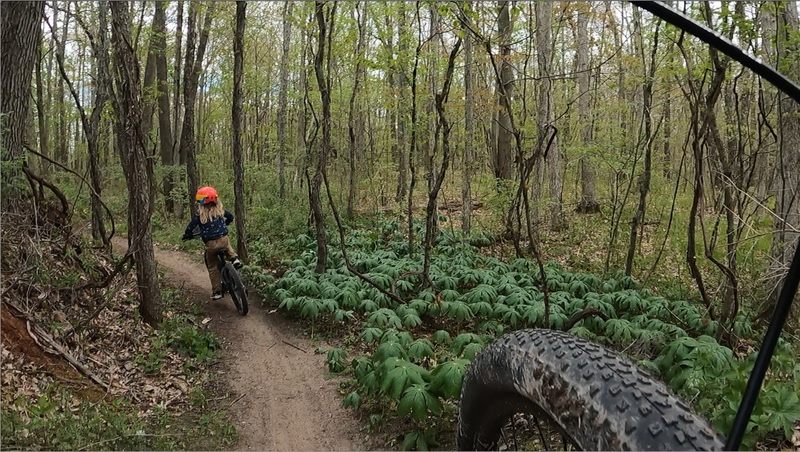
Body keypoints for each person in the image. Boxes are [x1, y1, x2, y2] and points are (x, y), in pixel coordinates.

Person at [182, 186, 243, 300]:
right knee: (226, 240)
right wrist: (227, 222)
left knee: (212, 267)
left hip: (211, 245)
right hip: (223, 241)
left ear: (201, 202)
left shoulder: (199, 216)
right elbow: (230, 217)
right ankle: (234, 258)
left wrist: (187, 235)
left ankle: (217, 291)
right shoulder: (220, 211)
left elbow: (190, 228)